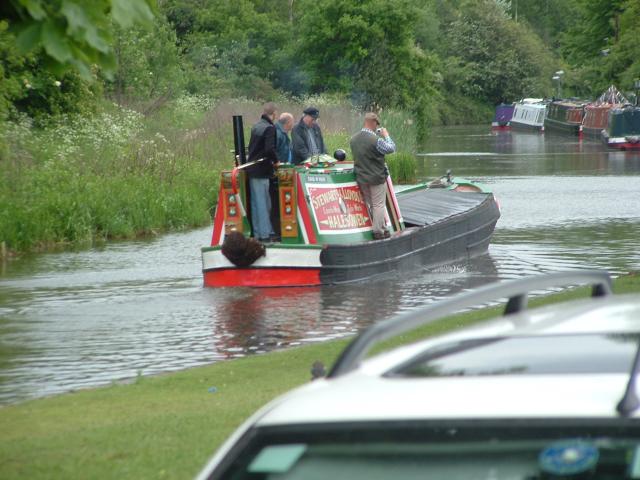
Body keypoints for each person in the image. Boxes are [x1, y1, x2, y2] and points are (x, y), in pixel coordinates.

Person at [350, 112, 396, 240]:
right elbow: (391, 148)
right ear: (374, 123)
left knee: (371, 204)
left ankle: (382, 228)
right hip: (376, 177)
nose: (377, 128)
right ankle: (378, 231)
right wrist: (386, 135)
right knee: (379, 205)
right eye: (377, 125)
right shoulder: (376, 140)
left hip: (361, 178)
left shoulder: (353, 139)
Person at [246, 102, 280, 242]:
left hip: (252, 169)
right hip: (262, 170)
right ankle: (266, 235)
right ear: (274, 114)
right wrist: (277, 161)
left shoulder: (256, 126)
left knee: (256, 203)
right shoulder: (269, 128)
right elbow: (269, 149)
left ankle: (259, 233)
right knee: (264, 203)